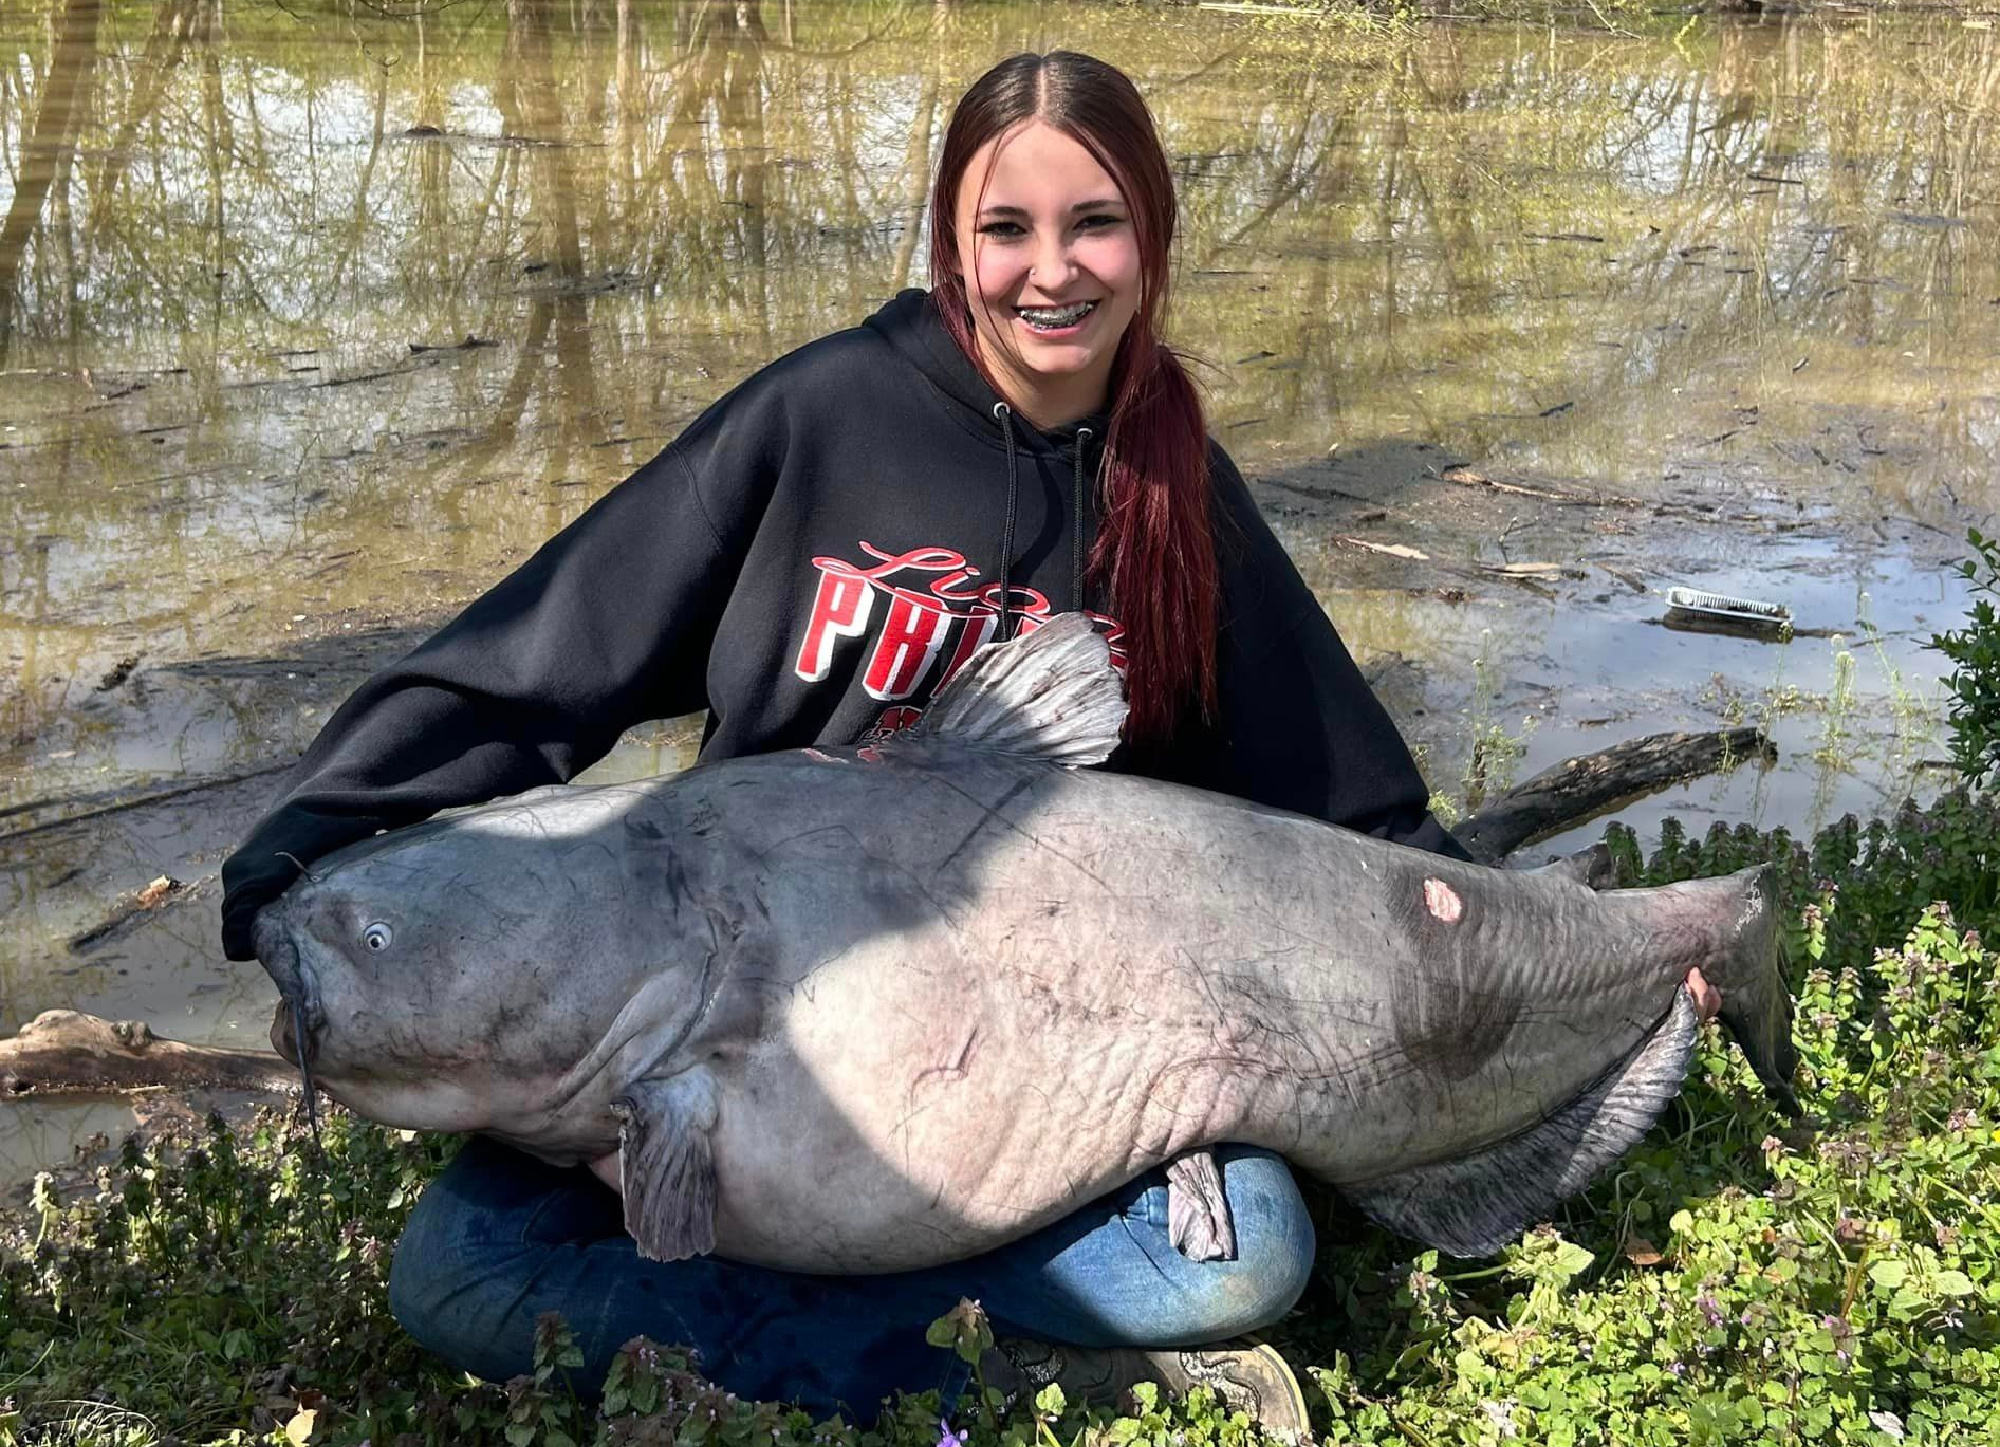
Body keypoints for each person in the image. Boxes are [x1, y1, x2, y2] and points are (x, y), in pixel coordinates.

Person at [220, 49, 1711, 1429]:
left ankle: (810, 1322)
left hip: (1050, 1080)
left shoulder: (1179, 491)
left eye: (1097, 224)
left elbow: (1353, 800)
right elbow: (550, 655)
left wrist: (1583, 963)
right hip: (735, 1022)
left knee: (1246, 1263)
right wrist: (312, 842)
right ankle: (969, 1352)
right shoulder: (819, 415)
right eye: (1008, 227)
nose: (1050, 271)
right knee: (446, 1279)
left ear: (1154, 241)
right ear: (952, 236)